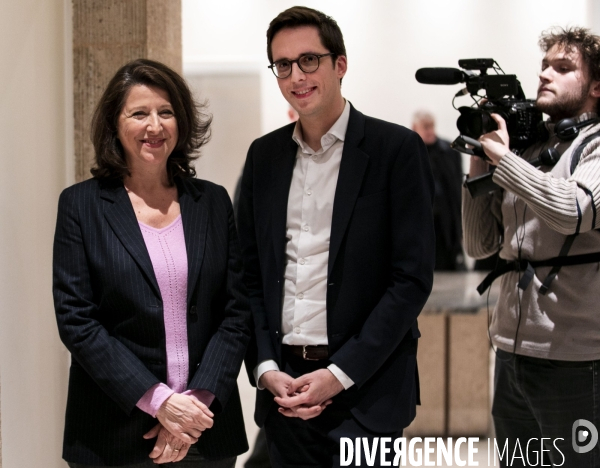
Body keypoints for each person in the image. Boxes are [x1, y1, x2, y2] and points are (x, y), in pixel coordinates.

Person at [237, 7, 435, 467]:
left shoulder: (396, 151)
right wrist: (265, 367)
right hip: (284, 390)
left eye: (309, 60)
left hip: (367, 389)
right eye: (282, 65)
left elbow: (410, 280)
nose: (295, 76)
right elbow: (250, 274)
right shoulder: (264, 156)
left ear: (339, 64)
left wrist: (339, 373)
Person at [53, 59, 250, 467]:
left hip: (204, 428)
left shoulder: (211, 202)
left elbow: (236, 311)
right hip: (115, 432)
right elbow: (77, 321)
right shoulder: (81, 205)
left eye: (166, 112)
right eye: (139, 113)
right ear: (115, 123)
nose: (155, 126)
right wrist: (159, 402)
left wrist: (192, 407)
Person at [463, 27, 600, 467]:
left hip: (575, 360)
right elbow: (479, 243)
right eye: (544, 65)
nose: (545, 75)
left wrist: (505, 160)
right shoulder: (533, 147)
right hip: (511, 352)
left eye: (563, 68)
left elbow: (572, 211)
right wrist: (480, 156)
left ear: (596, 86)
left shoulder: (593, 145)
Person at [412, 110, 465, 271]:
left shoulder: (448, 152)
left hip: (445, 221)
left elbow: (456, 188)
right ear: (415, 128)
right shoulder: (409, 151)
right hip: (420, 220)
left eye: (431, 126)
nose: (429, 131)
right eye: (425, 127)